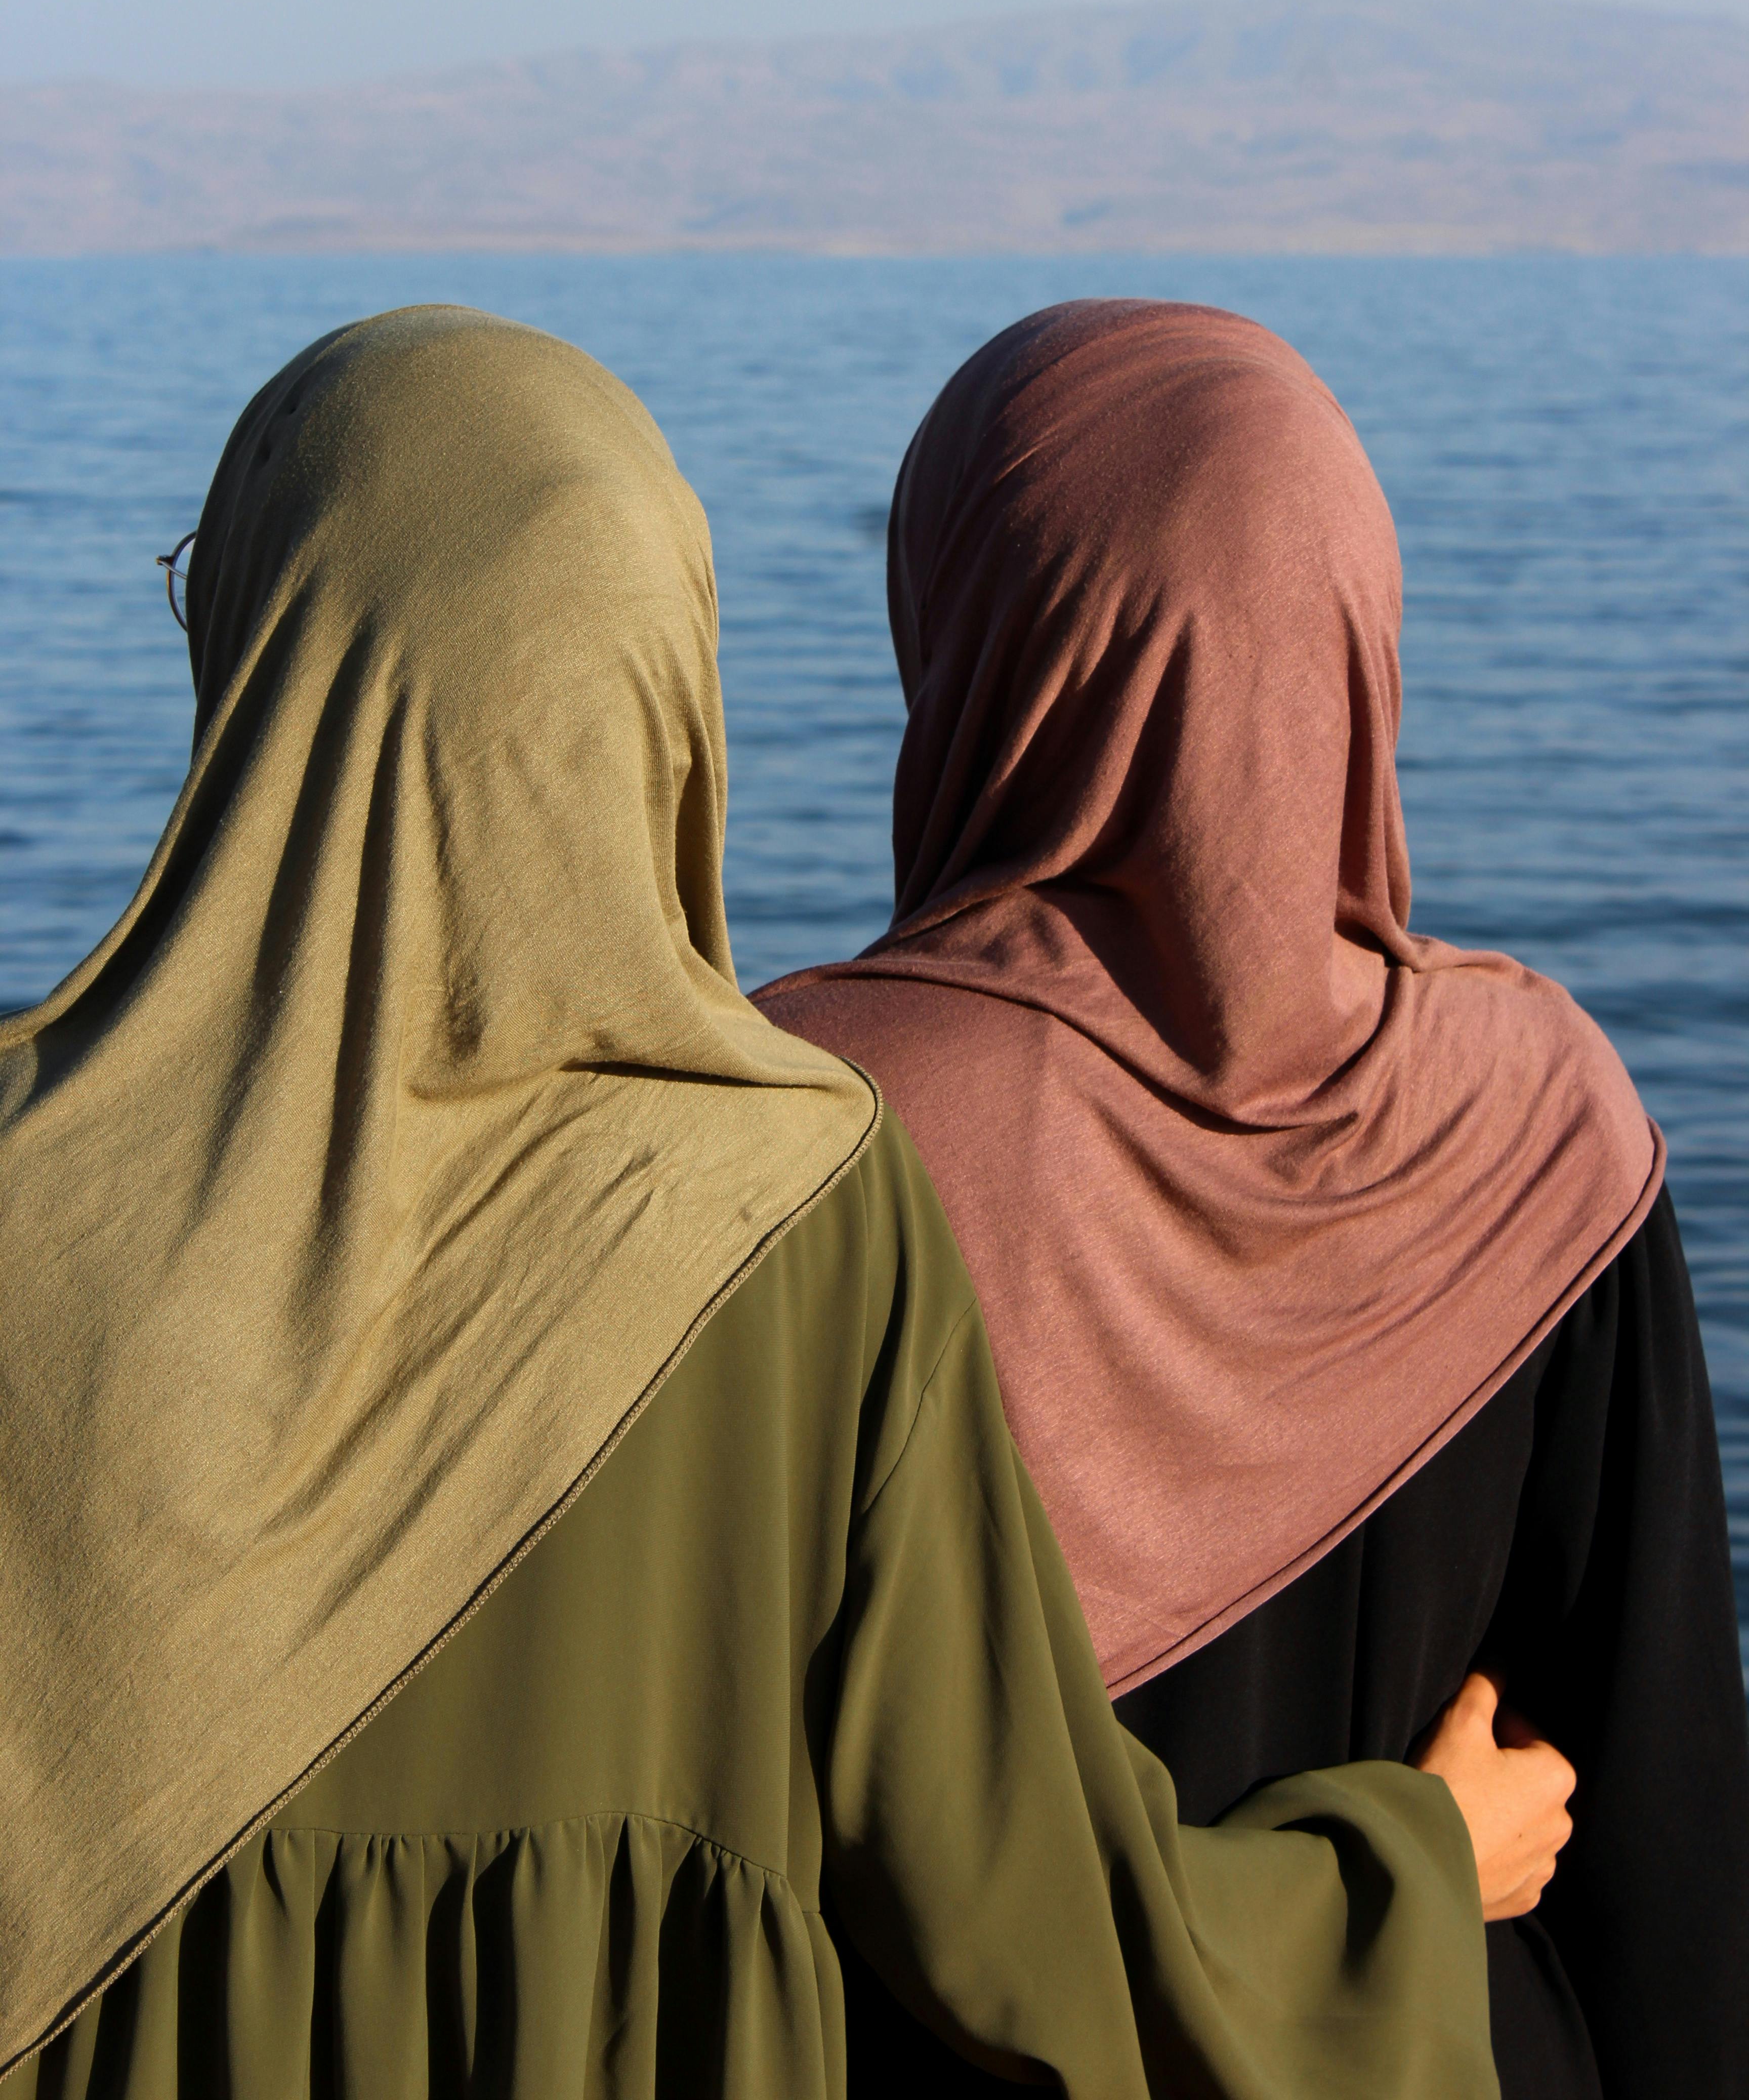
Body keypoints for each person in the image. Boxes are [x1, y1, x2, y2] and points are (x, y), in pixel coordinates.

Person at [0, 304, 1568, 2099]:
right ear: (665, 689)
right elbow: (1037, 1929)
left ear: (260, 642)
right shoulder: (800, 1221)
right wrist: (1408, 1873)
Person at [759, 297, 1749, 2100]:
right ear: (1359, 632)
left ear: (978, 620)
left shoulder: (806, 1133)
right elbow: (1667, 1830)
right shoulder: (1552, 1121)